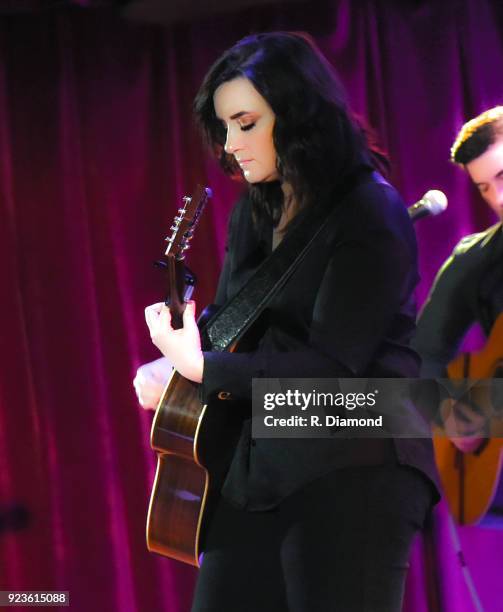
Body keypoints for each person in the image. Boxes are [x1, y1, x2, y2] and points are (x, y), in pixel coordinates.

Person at [138, 32, 439, 612]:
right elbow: (230, 327)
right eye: (224, 128)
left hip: (355, 461)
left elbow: (332, 368)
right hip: (263, 465)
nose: (231, 145)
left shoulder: (371, 212)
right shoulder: (253, 214)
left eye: (246, 124)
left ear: (298, 114)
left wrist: (202, 366)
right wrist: (175, 363)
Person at [413, 106, 503, 453]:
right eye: (483, 187)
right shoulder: (475, 258)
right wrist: (449, 414)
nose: (497, 199)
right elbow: (422, 357)